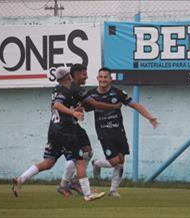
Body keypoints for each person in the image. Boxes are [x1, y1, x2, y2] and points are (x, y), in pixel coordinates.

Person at [12, 67, 105, 202]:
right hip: (66, 131)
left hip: (54, 131)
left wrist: (74, 109)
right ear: (69, 77)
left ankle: (21, 179)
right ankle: (88, 193)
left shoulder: (56, 90)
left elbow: (60, 105)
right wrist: (73, 113)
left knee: (48, 162)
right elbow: (57, 105)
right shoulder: (65, 90)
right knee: (79, 161)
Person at [89, 67, 159, 197]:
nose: (103, 79)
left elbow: (135, 105)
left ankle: (113, 190)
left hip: (118, 131)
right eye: (101, 77)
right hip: (104, 132)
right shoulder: (91, 95)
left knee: (121, 160)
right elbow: (81, 106)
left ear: (110, 79)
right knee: (114, 161)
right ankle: (96, 163)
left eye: (106, 77)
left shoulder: (118, 93)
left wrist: (150, 117)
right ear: (98, 78)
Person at [57, 64, 122, 197]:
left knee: (87, 152)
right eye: (84, 74)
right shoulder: (73, 88)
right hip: (66, 127)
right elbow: (94, 104)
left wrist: (78, 109)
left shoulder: (72, 88)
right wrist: (114, 106)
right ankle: (65, 185)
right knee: (75, 157)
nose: (86, 76)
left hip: (73, 125)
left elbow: (81, 105)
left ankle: (74, 182)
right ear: (75, 75)